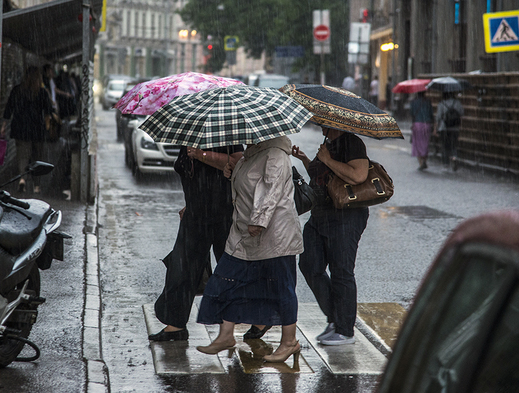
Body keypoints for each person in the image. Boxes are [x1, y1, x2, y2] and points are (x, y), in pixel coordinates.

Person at [196, 135, 304, 363]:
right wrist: (232, 173)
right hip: (244, 233)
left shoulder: (275, 154)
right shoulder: (250, 154)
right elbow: (250, 186)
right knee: (227, 280)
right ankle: (225, 336)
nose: (243, 136)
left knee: (281, 288)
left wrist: (259, 220)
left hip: (275, 236)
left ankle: (289, 342)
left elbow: (271, 190)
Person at [148, 145, 244, 342]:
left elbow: (237, 162)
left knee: (230, 272)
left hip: (223, 214)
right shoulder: (188, 137)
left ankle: (253, 320)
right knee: (181, 269)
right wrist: (192, 202)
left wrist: (201, 155)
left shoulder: (223, 129)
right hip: (195, 214)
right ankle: (175, 326)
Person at [292, 126, 370, 346]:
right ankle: (335, 317)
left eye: (322, 120)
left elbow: (358, 175)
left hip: (346, 216)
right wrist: (307, 159)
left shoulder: (352, 143)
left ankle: (345, 330)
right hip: (321, 214)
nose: (319, 124)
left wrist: (327, 159)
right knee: (309, 264)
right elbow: (322, 177)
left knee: (341, 271)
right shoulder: (327, 142)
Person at [2, 66, 53, 194]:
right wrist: (47, 127)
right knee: (37, 157)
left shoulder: (17, 90)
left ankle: (22, 180)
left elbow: (9, 109)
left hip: (20, 128)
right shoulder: (41, 92)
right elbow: (48, 112)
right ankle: (36, 186)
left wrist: (3, 125)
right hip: (37, 128)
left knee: (22, 156)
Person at [433, 91, 464, 170]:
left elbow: (438, 117)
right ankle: (454, 157)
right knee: (453, 144)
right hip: (455, 127)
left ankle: (446, 163)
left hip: (444, 128)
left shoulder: (441, 103)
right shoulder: (457, 103)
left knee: (445, 145)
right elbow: (461, 114)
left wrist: (435, 128)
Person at [409, 91, 434, 170]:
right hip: (427, 124)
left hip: (417, 124)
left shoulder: (413, 102)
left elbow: (411, 113)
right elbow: (431, 114)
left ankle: (421, 162)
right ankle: (424, 160)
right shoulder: (428, 102)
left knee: (417, 144)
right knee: (425, 143)